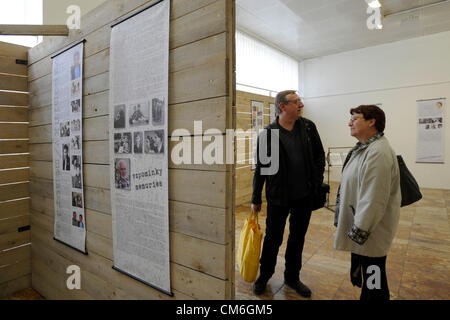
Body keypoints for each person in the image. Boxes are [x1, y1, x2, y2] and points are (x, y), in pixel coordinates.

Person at [251, 90, 325, 297]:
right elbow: (261, 168)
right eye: (296, 101)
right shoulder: (269, 134)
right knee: (273, 239)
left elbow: (319, 157)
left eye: (301, 101)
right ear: (283, 106)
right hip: (278, 197)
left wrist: (316, 183)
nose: (301, 104)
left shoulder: (308, 127)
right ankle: (264, 275)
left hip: (304, 196)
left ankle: (292, 277)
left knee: (297, 238)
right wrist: (256, 197)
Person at [334, 105, 401, 301]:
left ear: (372, 122)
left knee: (374, 278)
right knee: (371, 276)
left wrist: (360, 230)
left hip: (370, 232)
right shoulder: (366, 148)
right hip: (367, 230)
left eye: (355, 119)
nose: (349, 123)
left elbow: (374, 198)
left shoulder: (378, 152)